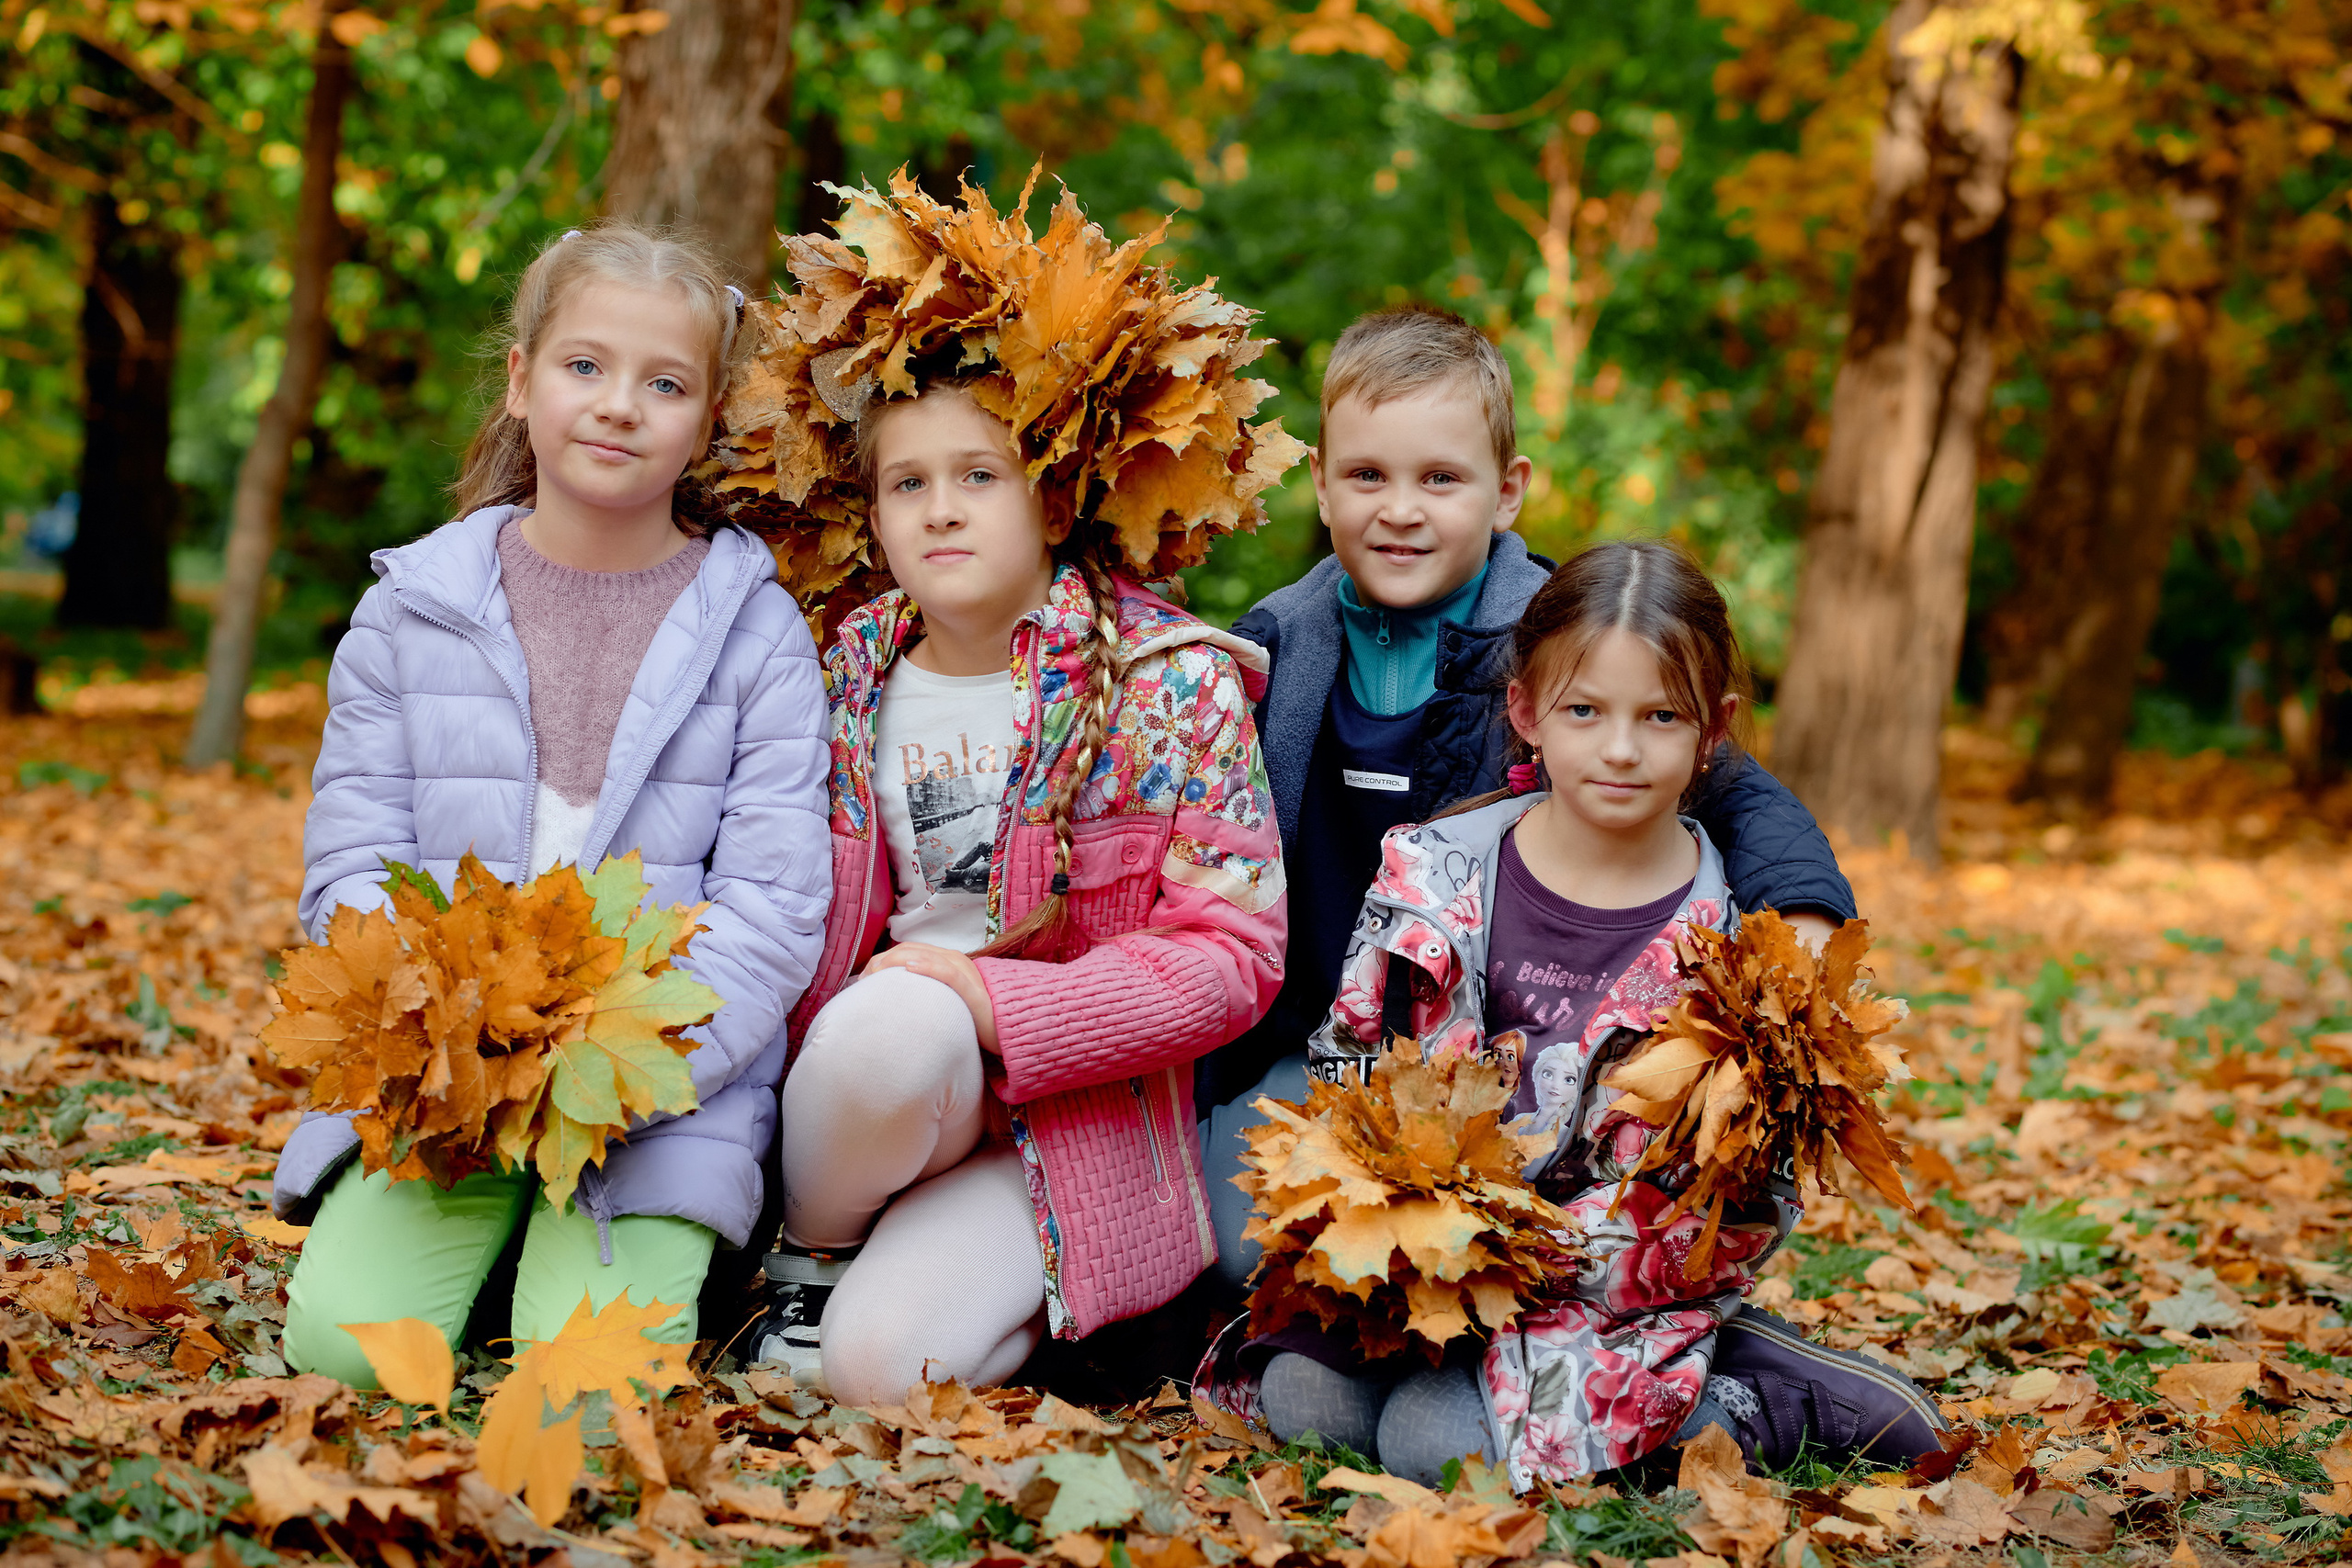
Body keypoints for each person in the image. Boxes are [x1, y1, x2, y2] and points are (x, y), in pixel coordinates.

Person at [724, 175, 1294, 1405]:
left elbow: (1235, 953)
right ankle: (810, 1256)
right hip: (873, 1083)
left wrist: (994, 998)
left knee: (879, 1374)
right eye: (907, 483)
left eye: (978, 474)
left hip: (1061, 1116)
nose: (940, 510)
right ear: (873, 510)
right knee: (895, 1024)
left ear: (1050, 488)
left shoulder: (1167, 680)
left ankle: (956, 1289)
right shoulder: (844, 669)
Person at [1250, 541, 1943, 1487]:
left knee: (1429, 1448)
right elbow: (1350, 1060)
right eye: (1584, 711)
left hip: (1609, 1287)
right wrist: (1402, 1226)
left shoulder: (1734, 950)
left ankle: (1758, 1397)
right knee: (1305, 1404)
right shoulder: (1432, 871)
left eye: (1661, 716)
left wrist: (1530, 1257)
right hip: (1429, 1259)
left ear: (1713, 730)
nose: (1620, 749)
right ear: (1526, 712)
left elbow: (1742, 1201)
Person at [1198, 308, 1860, 1295]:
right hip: (1325, 1045)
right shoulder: (1272, 649)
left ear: (1507, 491)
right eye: (1368, 475)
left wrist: (1802, 916)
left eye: (1441, 479)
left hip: (1506, 1056)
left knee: (1505, 1263)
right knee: (1243, 1247)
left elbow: (1736, 788)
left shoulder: (1559, 644)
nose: (1401, 510)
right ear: (1323, 484)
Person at [270, 223, 830, 1385]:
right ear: (522, 382)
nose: (619, 405)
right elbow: (353, 867)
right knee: (345, 1357)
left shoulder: (759, 631)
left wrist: (616, 1071)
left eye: (665, 384)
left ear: (706, 422)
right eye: (585, 366)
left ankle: (596, 1260)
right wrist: (457, 1044)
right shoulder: (409, 611)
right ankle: (485, 1241)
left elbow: (771, 909)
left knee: (585, 1385)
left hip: (651, 1095)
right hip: (447, 1079)